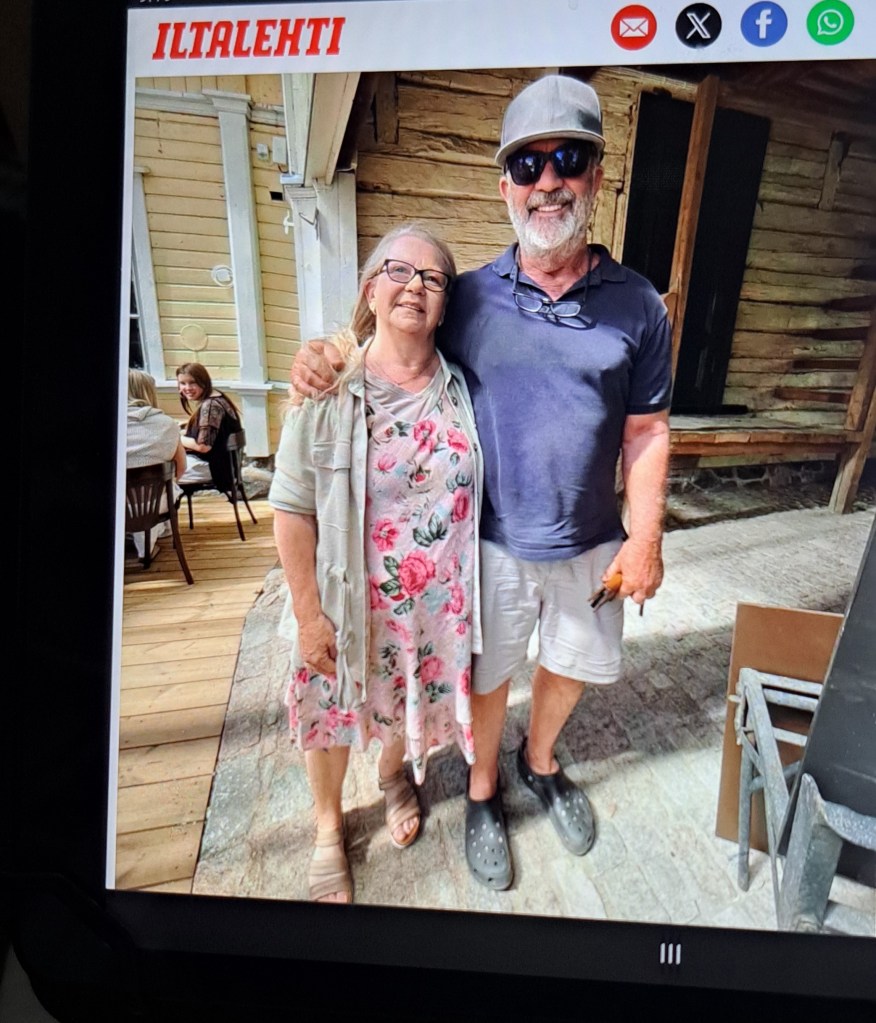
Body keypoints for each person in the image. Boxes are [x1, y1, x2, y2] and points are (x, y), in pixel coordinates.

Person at [291, 75, 672, 891]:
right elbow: (392, 336)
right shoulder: (467, 297)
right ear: (506, 186)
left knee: (572, 664)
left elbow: (646, 430)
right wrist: (324, 355)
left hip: (593, 539)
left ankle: (542, 761)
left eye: (569, 160)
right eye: (528, 164)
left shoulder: (639, 305)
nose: (549, 181)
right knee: (488, 676)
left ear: (597, 177)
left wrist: (646, 535)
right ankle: (483, 789)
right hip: (490, 543)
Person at [270, 223, 483, 903]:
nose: (414, 285)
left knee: (403, 701)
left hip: (430, 609)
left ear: (445, 305)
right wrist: (308, 615)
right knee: (329, 712)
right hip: (343, 602)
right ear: (370, 290)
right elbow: (291, 508)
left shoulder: (464, 388)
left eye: (432, 277)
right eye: (398, 270)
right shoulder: (329, 385)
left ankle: (393, 775)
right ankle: (328, 826)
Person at [126, 369, 187, 560]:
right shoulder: (167, 424)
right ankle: (151, 542)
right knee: (168, 489)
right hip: (156, 504)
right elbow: (180, 468)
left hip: (116, 506)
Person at [176, 362, 242, 491]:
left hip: (215, 469)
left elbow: (203, 446)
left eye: (192, 382)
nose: (187, 388)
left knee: (161, 473)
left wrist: (175, 437)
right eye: (182, 383)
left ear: (204, 382)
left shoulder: (210, 406)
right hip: (224, 465)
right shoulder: (218, 397)